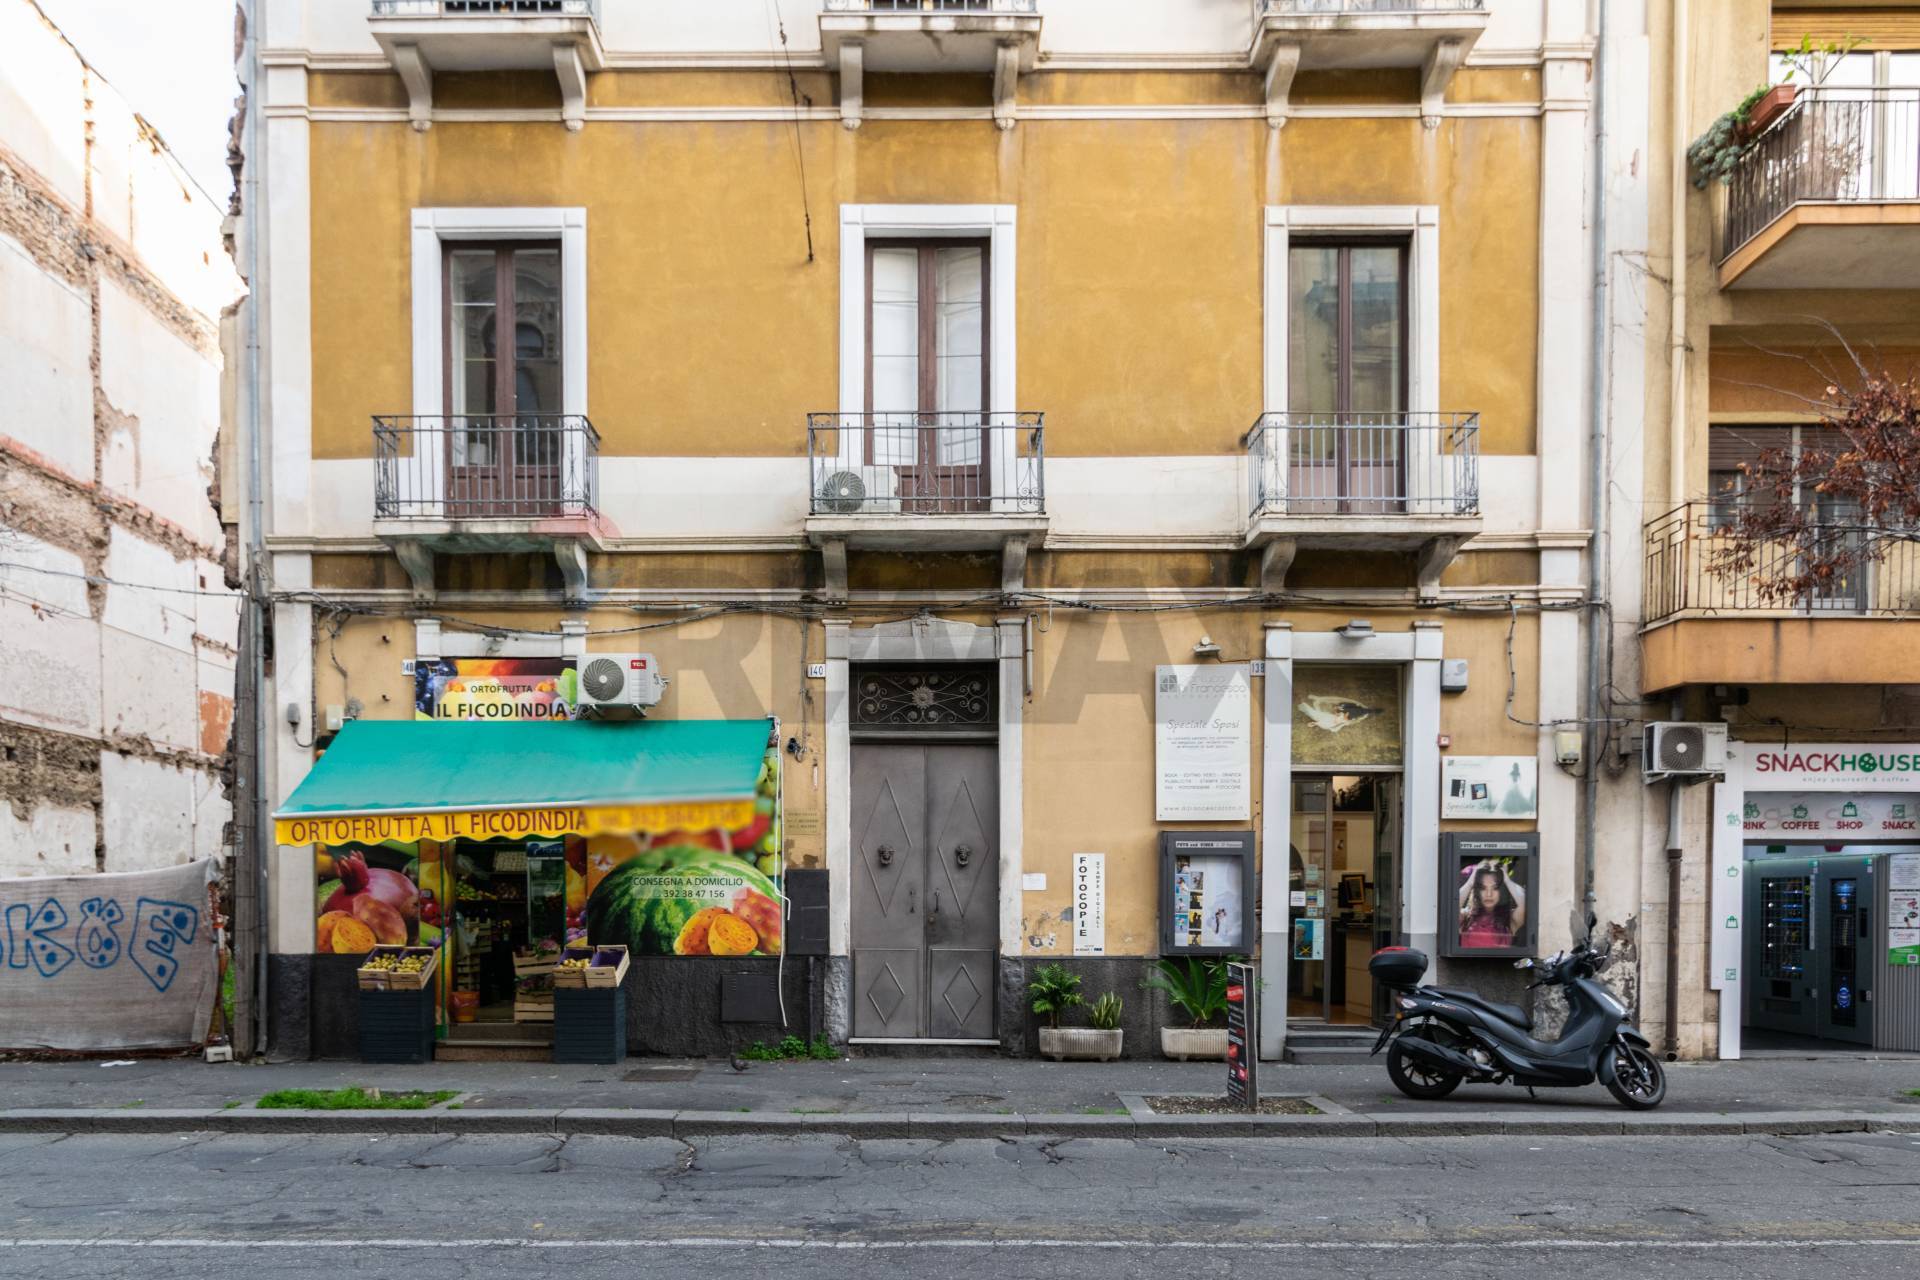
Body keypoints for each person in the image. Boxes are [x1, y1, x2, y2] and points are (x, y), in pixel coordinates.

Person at [1458, 860, 1526, 949]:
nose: (1489, 894)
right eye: (1483, 888)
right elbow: (1450, 907)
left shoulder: (1509, 920)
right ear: (1477, 891)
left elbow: (1526, 903)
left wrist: (1506, 880)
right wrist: (1470, 882)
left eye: (1495, 888)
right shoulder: (1466, 917)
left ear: (1501, 890)